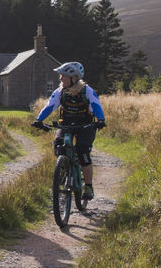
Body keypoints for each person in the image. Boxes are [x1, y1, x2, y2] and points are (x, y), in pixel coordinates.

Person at [31, 61, 106, 200]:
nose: (60, 79)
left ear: (74, 78)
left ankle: (88, 186)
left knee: (83, 153)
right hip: (66, 124)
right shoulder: (60, 91)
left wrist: (100, 120)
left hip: (85, 126)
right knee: (59, 146)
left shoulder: (87, 91)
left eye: (63, 76)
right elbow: (49, 106)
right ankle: (64, 168)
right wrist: (39, 119)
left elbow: (96, 105)